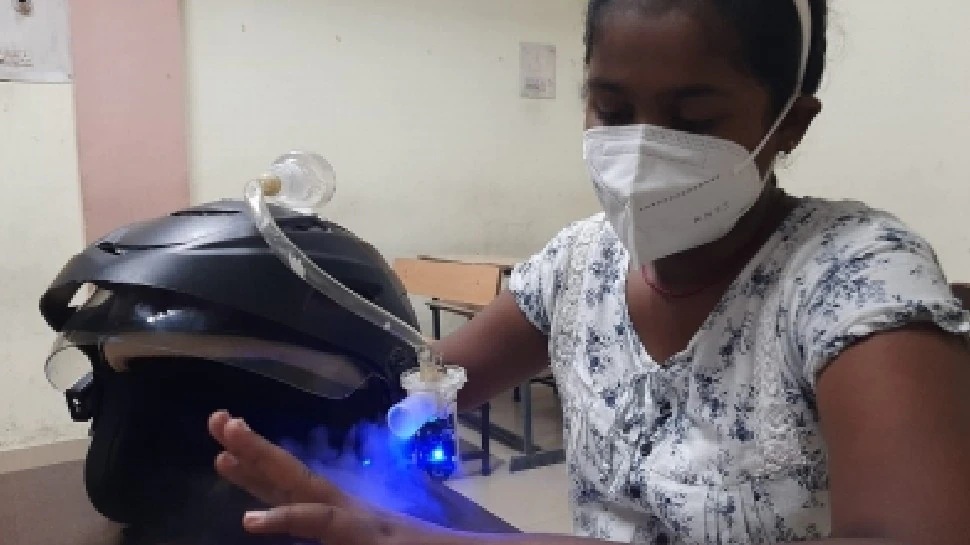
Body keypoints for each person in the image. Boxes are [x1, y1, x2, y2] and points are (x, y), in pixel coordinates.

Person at [206, 0, 970, 543]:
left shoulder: (856, 282)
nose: (641, 151)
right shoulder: (578, 266)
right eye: (612, 109)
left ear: (791, 123)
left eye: (693, 120)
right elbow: (411, 389)